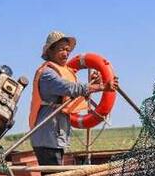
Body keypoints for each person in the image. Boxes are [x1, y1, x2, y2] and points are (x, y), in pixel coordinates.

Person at [28, 31, 117, 165]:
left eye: (67, 50)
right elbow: (71, 89)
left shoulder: (64, 71)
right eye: (61, 49)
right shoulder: (47, 74)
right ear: (50, 51)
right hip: (46, 136)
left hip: (57, 135)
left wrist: (95, 83)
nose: (66, 53)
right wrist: (102, 86)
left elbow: (75, 94)